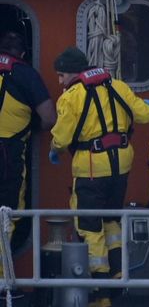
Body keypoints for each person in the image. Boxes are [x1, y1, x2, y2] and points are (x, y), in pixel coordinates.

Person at [50, 46, 149, 307]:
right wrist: (137, 105)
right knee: (111, 219)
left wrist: (53, 149)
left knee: (89, 226)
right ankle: (118, 271)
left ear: (73, 73)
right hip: (120, 166)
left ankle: (101, 292)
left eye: (61, 75)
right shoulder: (117, 86)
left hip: (91, 169)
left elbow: (62, 139)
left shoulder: (70, 97)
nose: (60, 81)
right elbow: (146, 114)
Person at [0, 32, 56, 275]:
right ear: (22, 54)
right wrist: (30, 126)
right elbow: (49, 118)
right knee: (8, 211)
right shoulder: (26, 74)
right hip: (8, 154)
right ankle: (2, 275)